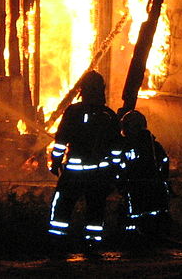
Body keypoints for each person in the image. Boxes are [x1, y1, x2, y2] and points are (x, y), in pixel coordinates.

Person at [47, 69, 118, 255]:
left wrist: (55, 163)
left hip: (74, 173)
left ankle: (57, 243)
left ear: (82, 89)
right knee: (96, 210)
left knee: (62, 207)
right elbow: (116, 148)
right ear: (102, 89)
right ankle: (93, 246)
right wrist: (115, 171)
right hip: (99, 175)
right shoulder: (109, 115)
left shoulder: (73, 112)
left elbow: (61, 141)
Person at [113, 109, 172, 239]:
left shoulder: (126, 146)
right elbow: (164, 162)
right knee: (157, 212)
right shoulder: (153, 144)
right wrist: (163, 180)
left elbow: (118, 166)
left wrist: (119, 182)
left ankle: (134, 237)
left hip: (135, 187)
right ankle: (155, 235)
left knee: (134, 214)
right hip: (155, 186)